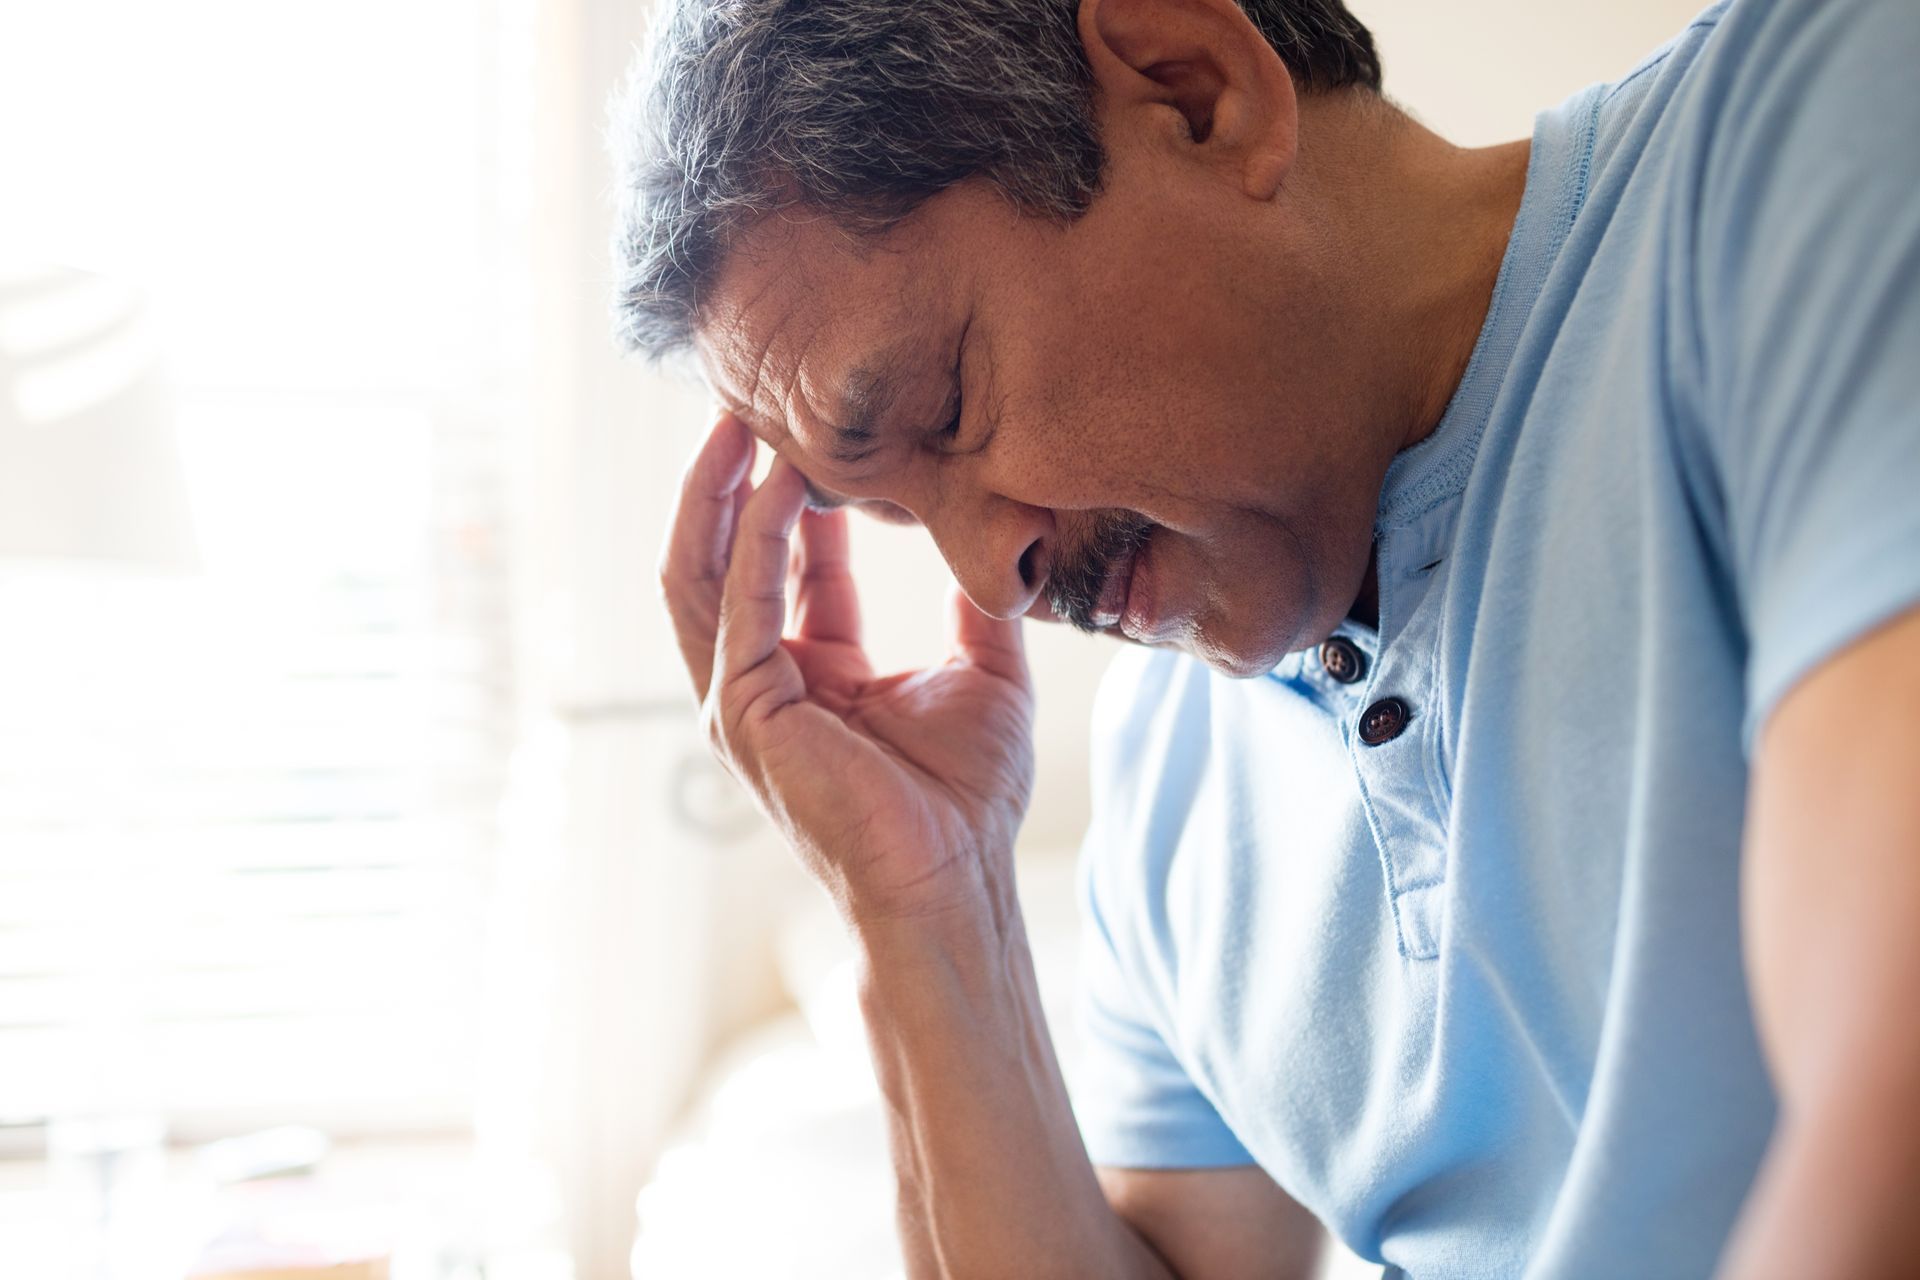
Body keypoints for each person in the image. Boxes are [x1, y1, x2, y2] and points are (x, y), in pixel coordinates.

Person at [617, 0, 1920, 1273]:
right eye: (896, 515)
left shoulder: (1808, 133)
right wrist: (927, 910)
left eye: (951, 408)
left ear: (1196, 90)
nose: (990, 581)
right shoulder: (1170, 778)